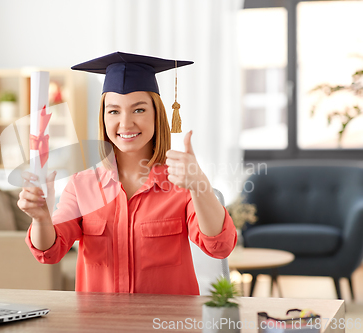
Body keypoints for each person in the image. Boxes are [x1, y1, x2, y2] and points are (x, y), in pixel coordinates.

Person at [18, 52, 237, 295]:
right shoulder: (81, 186)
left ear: (157, 114)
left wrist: (199, 185)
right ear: (103, 118)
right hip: (101, 323)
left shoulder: (181, 183)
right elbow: (49, 251)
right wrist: (40, 218)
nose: (126, 123)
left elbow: (220, 246)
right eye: (113, 111)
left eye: (139, 110)